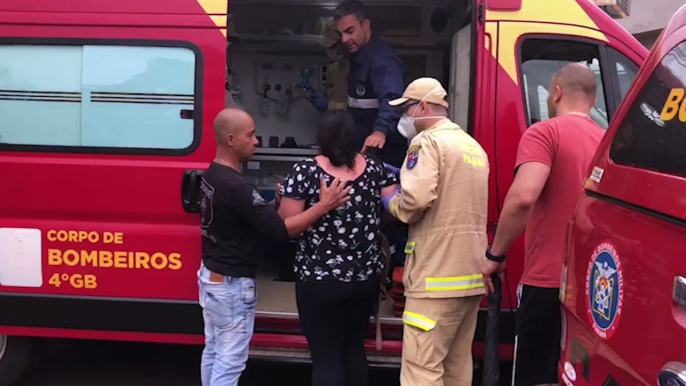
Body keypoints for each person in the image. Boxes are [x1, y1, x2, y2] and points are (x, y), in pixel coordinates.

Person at [197, 108, 352, 386]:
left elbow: (247, 218)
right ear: (231, 139)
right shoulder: (238, 186)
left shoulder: (213, 175)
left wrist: (274, 205)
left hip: (211, 278)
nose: (256, 141)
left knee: (214, 350)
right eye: (251, 136)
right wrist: (324, 206)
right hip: (232, 286)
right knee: (230, 361)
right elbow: (280, 232)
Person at [481, 63, 605, 386]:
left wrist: (495, 255)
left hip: (546, 284)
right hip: (590, 290)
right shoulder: (606, 142)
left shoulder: (545, 132)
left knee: (533, 376)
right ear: (592, 101)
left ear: (556, 92)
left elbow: (523, 197)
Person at [277, 110, 399, 386]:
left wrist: (321, 207)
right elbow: (395, 209)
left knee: (326, 357)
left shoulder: (306, 171)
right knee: (354, 350)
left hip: (320, 280)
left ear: (320, 139)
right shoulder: (375, 168)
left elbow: (287, 226)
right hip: (365, 279)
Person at [381, 77, 489, 386]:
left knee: (422, 371)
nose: (405, 117)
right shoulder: (473, 146)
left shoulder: (426, 142)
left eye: (407, 109)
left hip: (434, 280)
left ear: (424, 107)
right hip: (469, 279)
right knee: (456, 368)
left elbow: (416, 200)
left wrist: (391, 201)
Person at [333, 0, 407, 168]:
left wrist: (380, 131)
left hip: (384, 155)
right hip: (363, 153)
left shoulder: (382, 61)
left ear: (365, 25)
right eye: (340, 34)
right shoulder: (356, 59)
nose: (345, 39)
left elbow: (392, 99)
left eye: (350, 31)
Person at [300, 18, 350, 111]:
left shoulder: (360, 70)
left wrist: (330, 105)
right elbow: (330, 99)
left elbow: (364, 110)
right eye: (327, 47)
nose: (330, 50)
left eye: (333, 46)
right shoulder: (334, 69)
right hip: (333, 123)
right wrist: (312, 94)